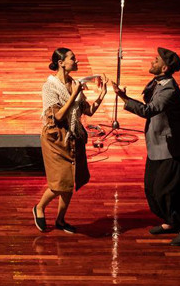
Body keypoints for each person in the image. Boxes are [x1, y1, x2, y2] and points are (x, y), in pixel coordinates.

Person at [112, 47, 180, 246]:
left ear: (165, 67)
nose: (152, 61)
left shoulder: (169, 88)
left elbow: (148, 110)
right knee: (151, 189)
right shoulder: (158, 81)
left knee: (165, 191)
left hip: (173, 148)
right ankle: (171, 222)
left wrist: (124, 99)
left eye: (156, 60)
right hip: (157, 145)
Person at [33, 48, 107, 234]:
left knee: (69, 182)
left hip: (72, 137)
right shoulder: (50, 86)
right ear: (61, 63)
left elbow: (87, 111)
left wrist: (102, 95)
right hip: (55, 138)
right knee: (60, 183)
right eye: (73, 58)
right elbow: (57, 116)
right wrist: (74, 94)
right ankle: (39, 207)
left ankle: (60, 220)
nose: (77, 61)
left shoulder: (74, 83)